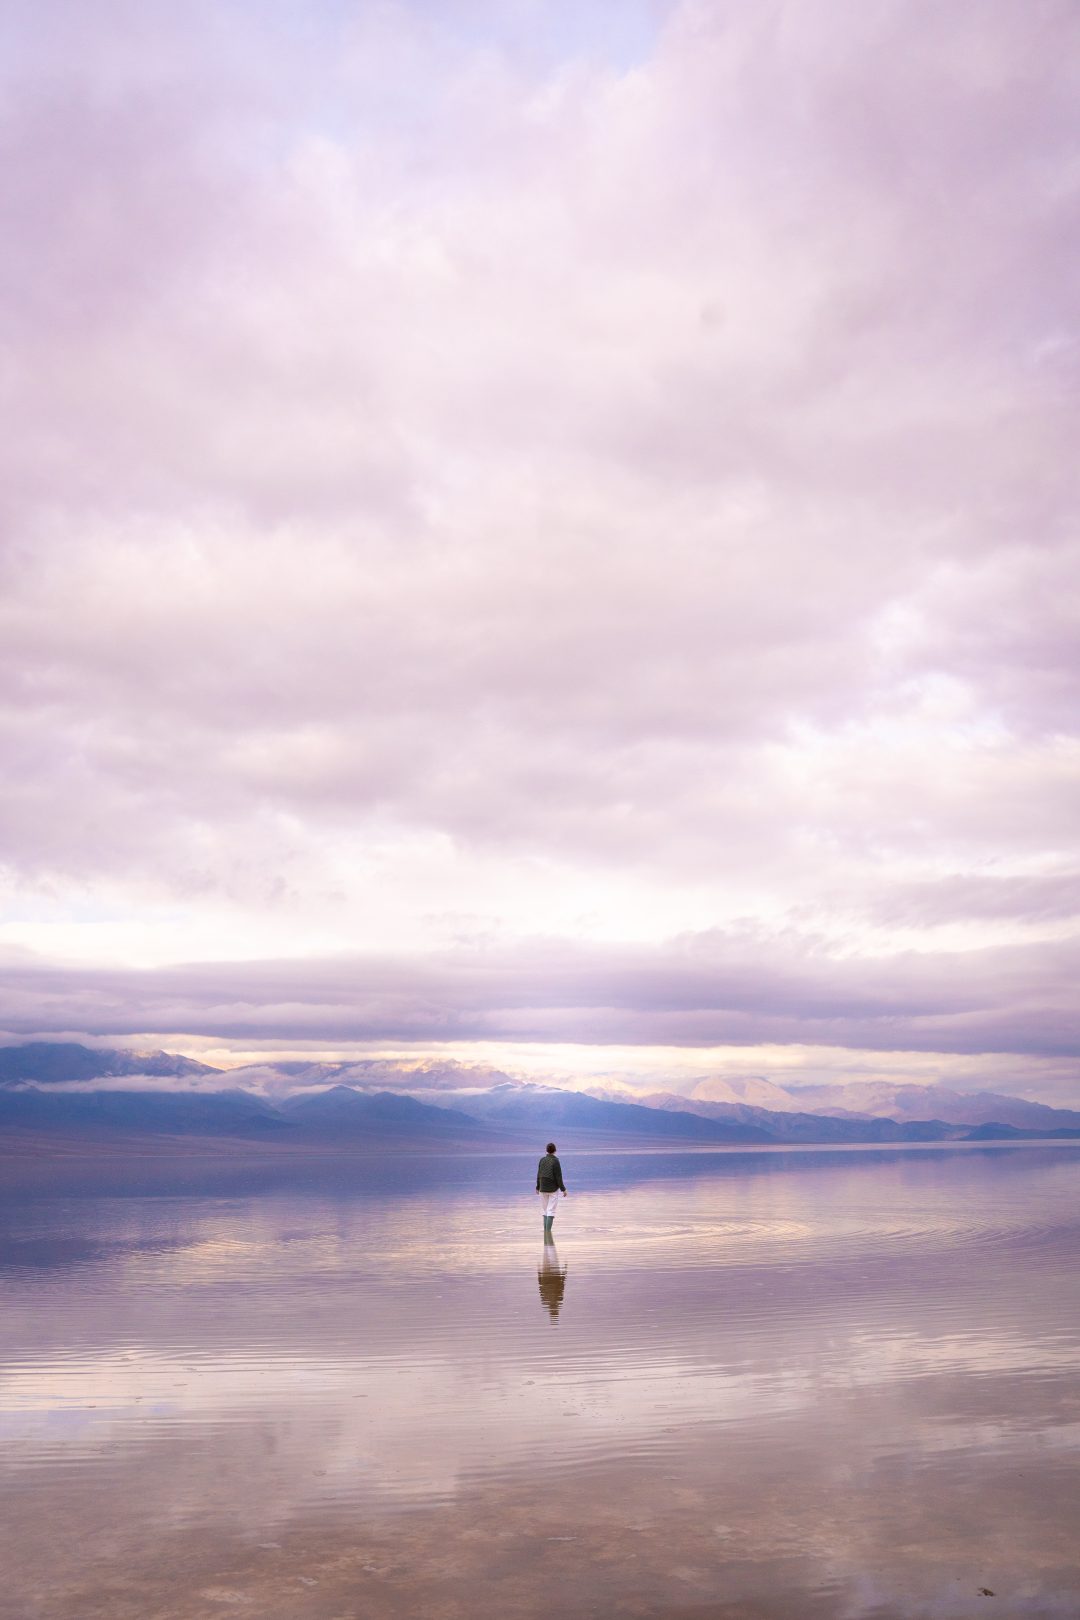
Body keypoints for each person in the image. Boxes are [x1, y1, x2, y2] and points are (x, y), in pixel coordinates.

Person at [536, 1141, 567, 1235]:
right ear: (555, 1151)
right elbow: (558, 1177)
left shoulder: (542, 1160)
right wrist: (563, 1189)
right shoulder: (555, 1161)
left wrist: (537, 1187)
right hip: (553, 1189)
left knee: (545, 1210)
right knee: (551, 1210)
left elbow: (539, 1175)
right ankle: (548, 1233)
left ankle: (546, 1235)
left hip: (542, 1188)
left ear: (546, 1151)